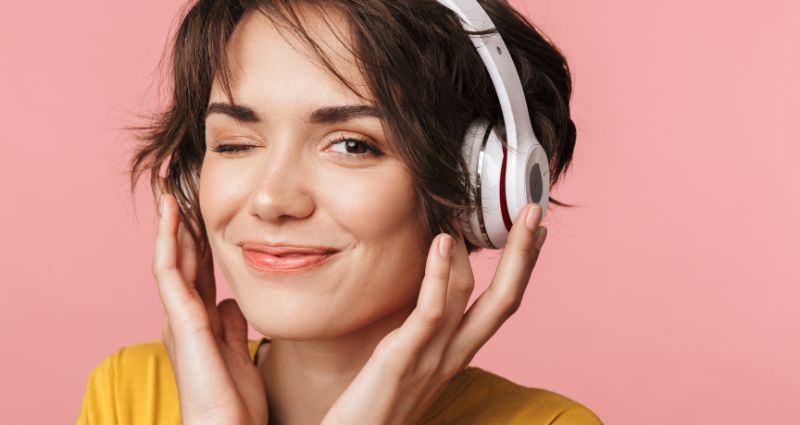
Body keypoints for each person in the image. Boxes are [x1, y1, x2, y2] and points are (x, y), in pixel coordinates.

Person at [77, 0, 602, 423]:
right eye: (235, 144)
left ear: (480, 192)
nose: (272, 200)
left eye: (352, 145)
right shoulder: (130, 395)